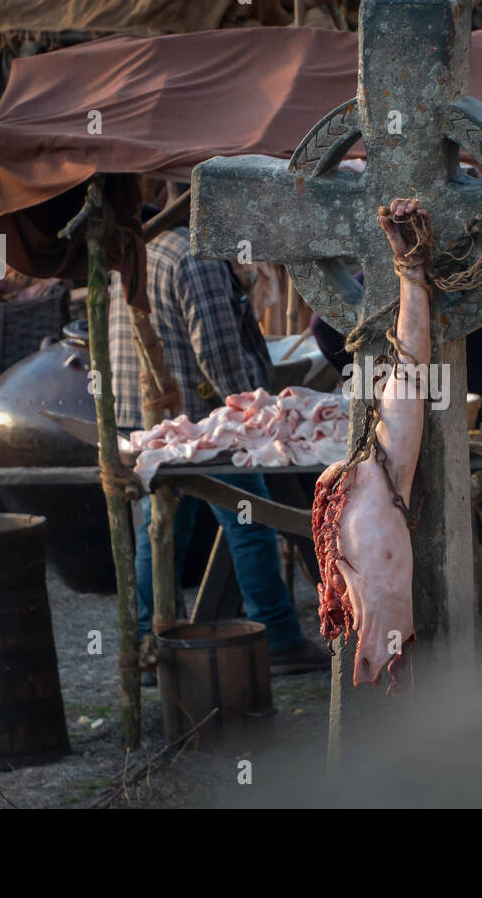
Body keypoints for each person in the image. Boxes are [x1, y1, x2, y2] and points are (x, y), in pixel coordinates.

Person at [108, 190, 330, 678]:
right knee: (249, 526)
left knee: (161, 528)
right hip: (201, 429)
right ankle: (279, 639)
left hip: (149, 425)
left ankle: (149, 643)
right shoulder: (194, 257)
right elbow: (218, 355)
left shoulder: (139, 250)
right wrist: (256, 412)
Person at [311, 276, 482, 598]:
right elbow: (324, 325)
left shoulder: (421, 261)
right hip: (457, 407)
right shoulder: (478, 254)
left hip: (429, 414)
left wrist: (374, 381)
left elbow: (322, 326)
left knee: (470, 520)